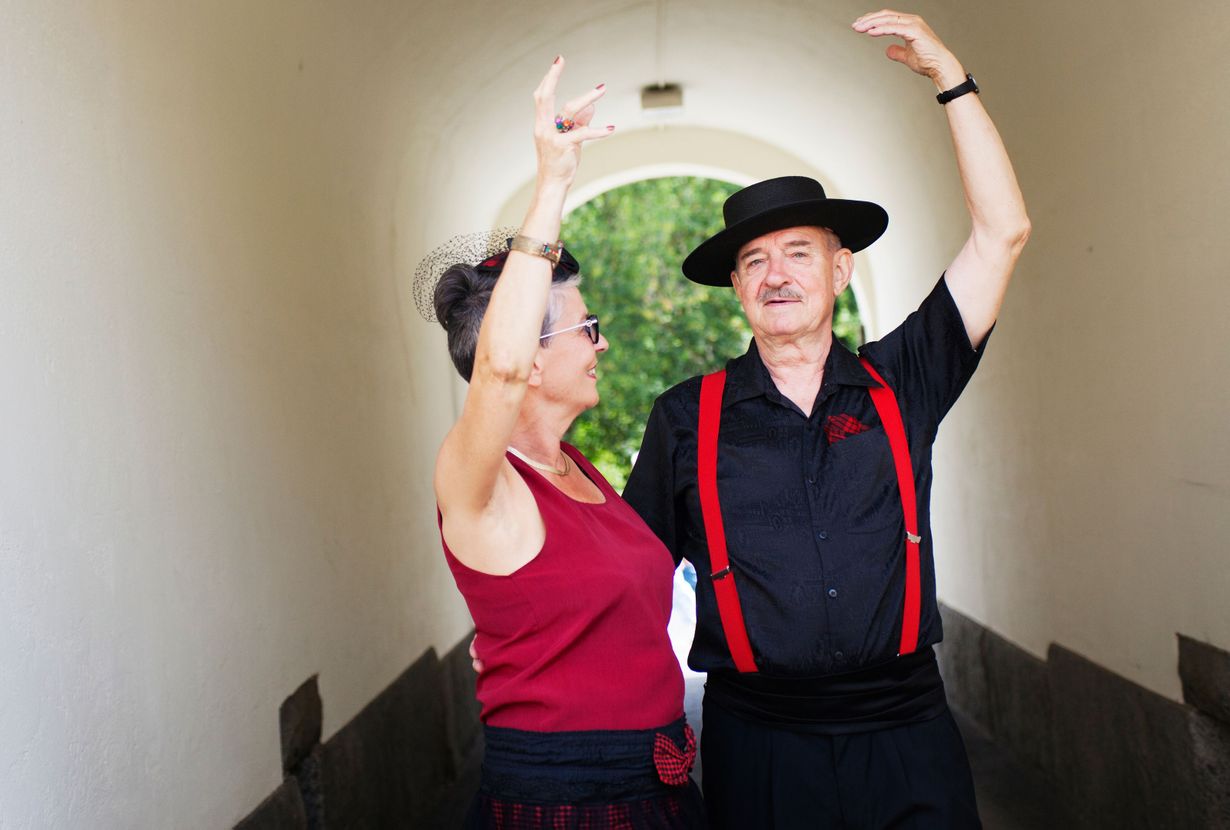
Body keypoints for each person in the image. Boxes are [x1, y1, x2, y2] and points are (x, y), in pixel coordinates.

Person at [621, 10, 1030, 829]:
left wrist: (952, 79)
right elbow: (631, 579)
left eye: (798, 252)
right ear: (737, 288)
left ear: (841, 270)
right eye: (754, 260)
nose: (776, 274)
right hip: (759, 740)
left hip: (907, 730)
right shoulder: (685, 418)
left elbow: (1002, 234)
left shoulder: (902, 380)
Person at [429, 58, 704, 829]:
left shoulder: (580, 468)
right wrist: (552, 182)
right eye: (587, 328)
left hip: (657, 785)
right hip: (566, 802)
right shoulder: (481, 482)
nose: (602, 343)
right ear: (531, 359)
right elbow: (498, 368)